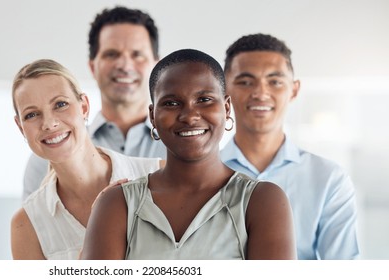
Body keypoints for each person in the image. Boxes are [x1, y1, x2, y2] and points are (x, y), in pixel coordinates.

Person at [81, 49, 296, 260]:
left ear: (227, 108)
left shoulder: (262, 201)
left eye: (204, 100)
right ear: (153, 116)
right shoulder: (118, 204)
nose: (190, 116)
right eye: (171, 103)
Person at [221, 33, 359, 259]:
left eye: (274, 82)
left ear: (294, 90)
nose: (260, 93)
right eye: (245, 82)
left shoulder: (328, 179)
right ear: (224, 91)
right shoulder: (201, 176)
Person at [10, 59, 162, 259]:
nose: (48, 123)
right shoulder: (26, 225)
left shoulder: (157, 175)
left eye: (60, 104)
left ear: (84, 107)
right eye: (31, 115)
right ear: (21, 127)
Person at [21, 6, 165, 200]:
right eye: (111, 54)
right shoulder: (50, 151)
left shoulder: (183, 145)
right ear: (92, 66)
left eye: (137, 54)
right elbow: (35, 225)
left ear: (157, 66)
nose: (124, 65)